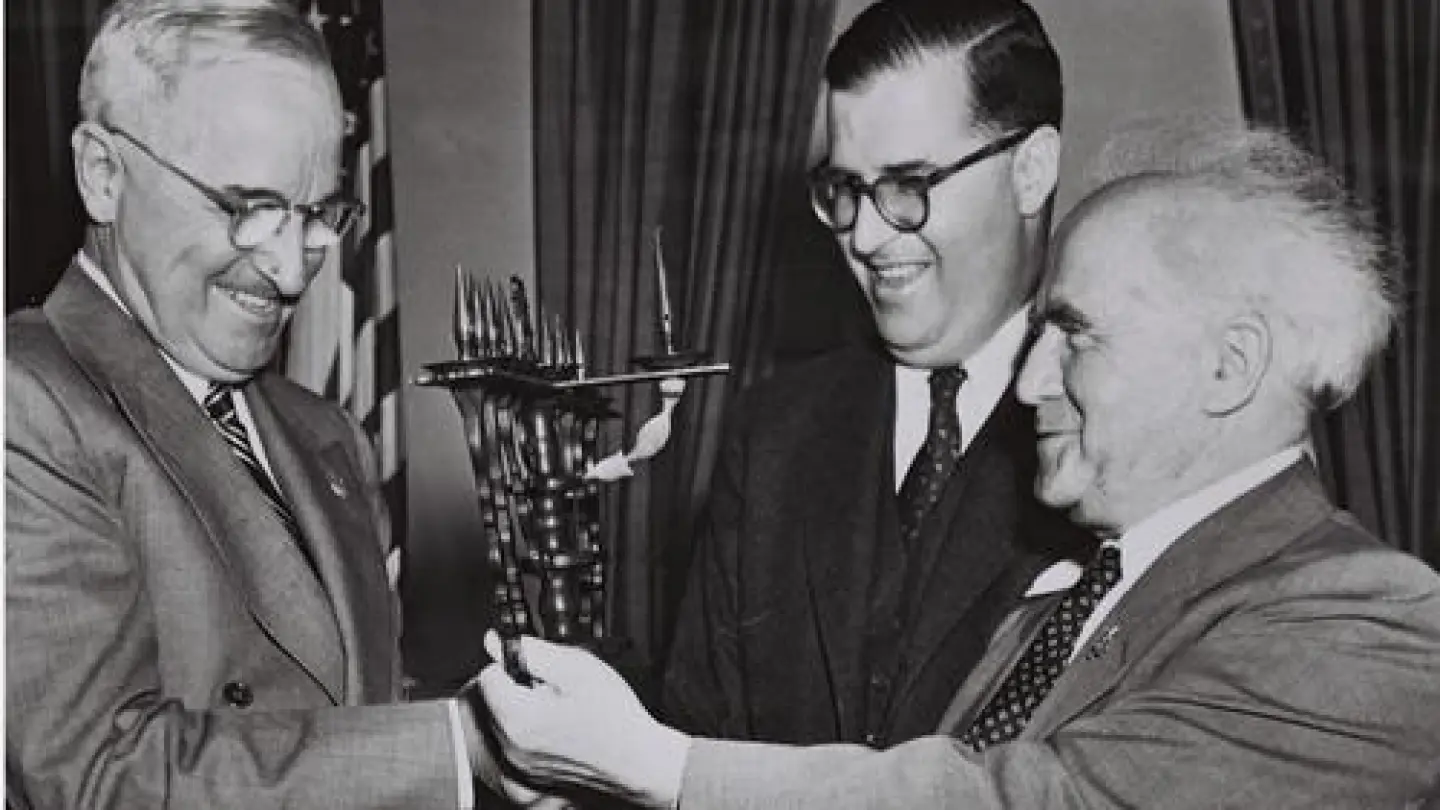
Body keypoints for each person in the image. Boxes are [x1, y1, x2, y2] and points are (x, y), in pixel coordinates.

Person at [476, 125, 1440, 807]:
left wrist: (665, 770)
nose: (1028, 386)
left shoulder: (1379, 620)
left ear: (1230, 365)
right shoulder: (1068, 594)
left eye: (1074, 336)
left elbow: (1030, 802)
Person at [5, 2, 531, 807]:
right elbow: (94, 777)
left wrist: (507, 730)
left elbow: (348, 714)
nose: (291, 272)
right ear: (103, 175)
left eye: (318, 215)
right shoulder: (26, 402)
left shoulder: (324, 435)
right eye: (248, 209)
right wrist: (457, 750)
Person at [662, 0, 1091, 749]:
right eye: (845, 189)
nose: (862, 234)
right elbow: (691, 743)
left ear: (1031, 171)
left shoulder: (1118, 432)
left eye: (908, 184)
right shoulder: (772, 432)